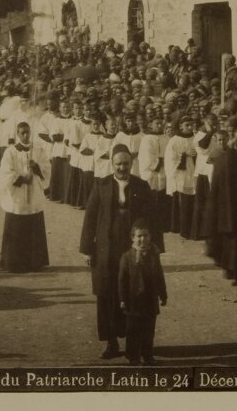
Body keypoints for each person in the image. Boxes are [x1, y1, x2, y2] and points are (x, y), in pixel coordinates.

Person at [79, 144, 162, 360]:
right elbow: (90, 219)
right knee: (106, 292)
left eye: (126, 164)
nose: (122, 168)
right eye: (118, 164)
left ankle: (136, 343)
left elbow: (153, 218)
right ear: (112, 164)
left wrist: (155, 249)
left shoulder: (141, 186)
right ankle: (111, 342)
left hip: (133, 247)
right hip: (106, 248)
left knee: (135, 291)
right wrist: (88, 250)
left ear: (131, 164)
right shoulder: (101, 185)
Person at [0, 123, 49, 273]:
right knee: (16, 227)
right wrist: (20, 178)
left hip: (34, 193)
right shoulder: (10, 152)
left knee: (33, 226)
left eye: (27, 132)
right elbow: (4, 173)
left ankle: (34, 262)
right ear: (17, 134)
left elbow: (47, 167)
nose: (25, 135)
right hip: (17, 195)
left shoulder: (38, 150)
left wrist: (37, 167)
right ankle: (14, 262)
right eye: (22, 133)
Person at [118, 219, 167, 366]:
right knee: (133, 330)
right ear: (132, 237)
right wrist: (122, 298)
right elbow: (122, 280)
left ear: (150, 237)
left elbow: (159, 276)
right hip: (133, 301)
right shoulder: (127, 257)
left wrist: (163, 294)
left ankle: (148, 355)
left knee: (148, 330)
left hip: (149, 300)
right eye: (139, 236)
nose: (142, 239)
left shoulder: (154, 255)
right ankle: (133, 356)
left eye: (145, 236)